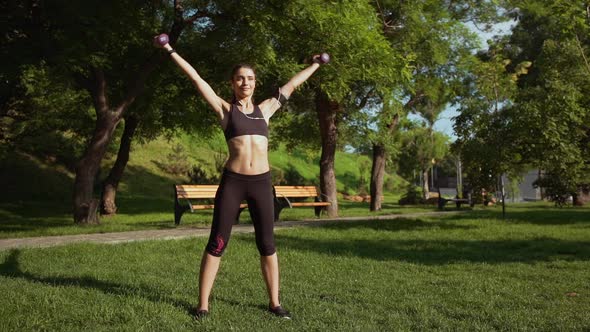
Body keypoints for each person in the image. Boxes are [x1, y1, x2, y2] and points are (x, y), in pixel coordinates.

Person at [154, 36, 325, 320]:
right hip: (234, 182)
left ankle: (274, 303)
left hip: (261, 183)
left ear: (255, 83)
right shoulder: (226, 110)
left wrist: (316, 65)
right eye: (240, 79)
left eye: (250, 78)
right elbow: (196, 79)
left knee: (267, 244)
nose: (245, 83)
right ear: (233, 83)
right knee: (217, 242)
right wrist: (169, 50)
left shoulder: (266, 110)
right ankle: (202, 305)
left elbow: (292, 85)